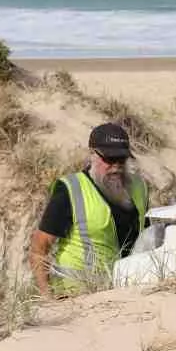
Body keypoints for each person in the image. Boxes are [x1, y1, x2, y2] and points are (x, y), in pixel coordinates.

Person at [29, 123, 149, 298]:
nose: (116, 166)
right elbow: (39, 247)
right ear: (92, 155)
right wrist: (47, 297)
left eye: (121, 159)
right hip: (77, 297)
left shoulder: (139, 187)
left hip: (127, 293)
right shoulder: (71, 189)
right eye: (109, 159)